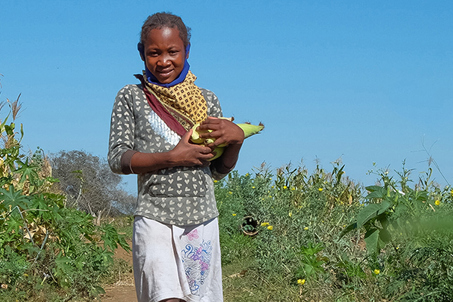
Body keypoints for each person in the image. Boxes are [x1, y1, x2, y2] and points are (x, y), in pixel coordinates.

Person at [108, 12, 244, 302]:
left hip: (202, 219)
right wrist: (172, 157)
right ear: (141, 53)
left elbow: (216, 171)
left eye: (173, 51)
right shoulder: (131, 97)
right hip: (154, 217)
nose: (164, 61)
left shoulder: (208, 101)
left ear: (187, 51)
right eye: (154, 53)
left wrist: (236, 140)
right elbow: (118, 158)